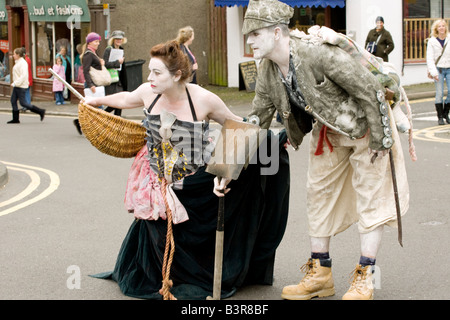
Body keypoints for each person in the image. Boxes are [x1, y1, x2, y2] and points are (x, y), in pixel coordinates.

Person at [84, 40, 290, 300]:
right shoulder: (149, 92)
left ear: (177, 75)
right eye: (150, 71)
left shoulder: (204, 99)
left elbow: (238, 128)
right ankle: (164, 276)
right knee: (157, 229)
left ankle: (190, 276)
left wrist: (274, 140)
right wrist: (96, 101)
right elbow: (126, 98)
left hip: (194, 177)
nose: (150, 77)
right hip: (157, 176)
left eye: (157, 72)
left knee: (202, 221)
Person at [242, 0, 409, 300]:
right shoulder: (267, 71)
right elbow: (256, 121)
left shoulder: (317, 52)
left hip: (363, 126)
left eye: (255, 33)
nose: (249, 40)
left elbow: (368, 89)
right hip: (327, 132)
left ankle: (365, 276)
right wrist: (226, 171)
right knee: (317, 194)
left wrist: (381, 141)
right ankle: (320, 274)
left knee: (372, 197)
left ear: (277, 32)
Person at [73, 32, 104, 135]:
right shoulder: (88, 54)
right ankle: (99, 130)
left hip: (96, 84)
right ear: (90, 42)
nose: (98, 43)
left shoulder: (93, 52)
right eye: (96, 41)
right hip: (92, 85)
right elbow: (85, 71)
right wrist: (91, 85)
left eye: (98, 41)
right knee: (98, 108)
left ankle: (79, 122)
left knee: (93, 108)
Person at [7, 48, 45, 124]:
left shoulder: (23, 63)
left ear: (18, 55)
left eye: (14, 54)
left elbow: (23, 76)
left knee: (23, 103)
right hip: (17, 85)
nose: (13, 55)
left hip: (21, 86)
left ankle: (40, 111)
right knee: (13, 101)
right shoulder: (18, 62)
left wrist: (15, 83)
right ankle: (15, 119)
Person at [426, 19, 450, 125]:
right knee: (439, 93)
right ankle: (440, 117)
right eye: (439, 26)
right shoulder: (432, 41)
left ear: (446, 28)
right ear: (436, 28)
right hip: (438, 70)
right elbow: (430, 58)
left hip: (449, 68)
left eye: (443, 26)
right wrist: (434, 73)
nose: (441, 28)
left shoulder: (449, 39)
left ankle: (446, 113)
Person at [103, 30, 128, 116]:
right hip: (112, 81)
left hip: (120, 81)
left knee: (119, 104)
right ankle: (101, 114)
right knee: (115, 103)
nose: (119, 41)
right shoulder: (108, 50)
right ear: (113, 40)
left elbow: (123, 68)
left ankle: (117, 124)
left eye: (120, 39)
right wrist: (117, 62)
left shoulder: (121, 50)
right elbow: (105, 64)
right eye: (117, 39)